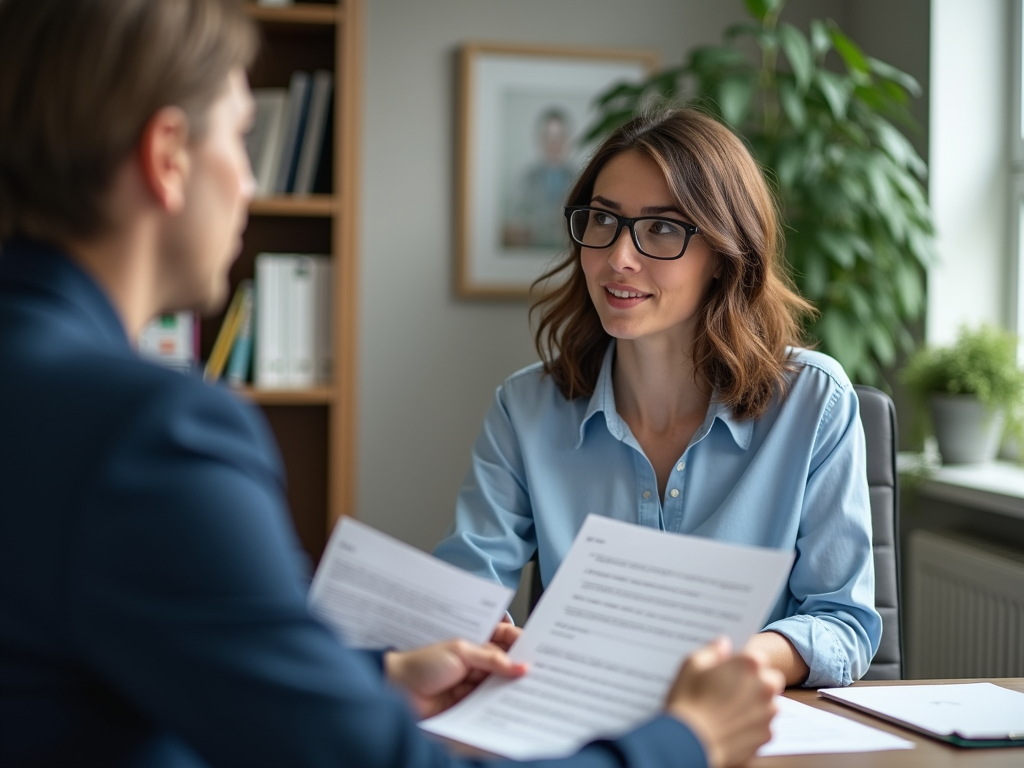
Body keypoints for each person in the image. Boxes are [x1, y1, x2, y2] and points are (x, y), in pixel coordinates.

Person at [0, 2, 783, 767]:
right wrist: (686, 743)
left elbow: (132, 671)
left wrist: (373, 677)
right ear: (168, 156)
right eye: (241, 138)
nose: (247, 181)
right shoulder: (149, 437)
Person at [435, 108, 883, 690]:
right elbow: (463, 594)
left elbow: (843, 622)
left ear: (724, 254)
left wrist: (741, 662)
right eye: (604, 220)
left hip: (748, 731)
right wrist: (488, 638)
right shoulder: (525, 409)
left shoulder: (813, 402)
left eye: (663, 228)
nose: (619, 257)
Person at [503, 108, 575, 248]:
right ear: (540, 140)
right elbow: (514, 221)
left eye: (559, 136)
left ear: (568, 139)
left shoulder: (580, 177)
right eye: (548, 137)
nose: (554, 143)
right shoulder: (526, 179)